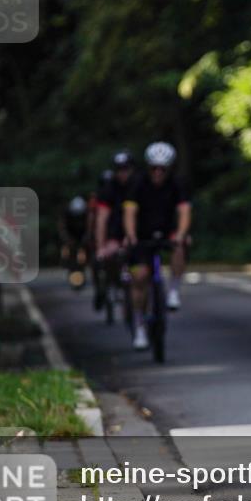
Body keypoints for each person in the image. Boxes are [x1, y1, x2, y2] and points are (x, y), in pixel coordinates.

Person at [122, 141, 191, 350]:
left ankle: (174, 291)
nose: (158, 172)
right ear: (148, 166)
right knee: (140, 277)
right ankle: (139, 325)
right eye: (154, 167)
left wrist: (180, 234)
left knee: (181, 245)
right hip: (142, 235)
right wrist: (131, 236)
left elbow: (185, 212)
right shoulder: (137, 183)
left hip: (166, 231)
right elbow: (129, 212)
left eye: (163, 168)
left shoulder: (177, 184)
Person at [94, 153, 135, 310]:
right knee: (108, 255)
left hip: (139, 232)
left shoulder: (140, 184)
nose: (122, 173)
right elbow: (101, 220)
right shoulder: (109, 189)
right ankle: (113, 282)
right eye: (119, 169)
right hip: (116, 232)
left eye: (126, 169)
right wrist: (100, 247)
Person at [58, 196, 89, 288]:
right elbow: (62, 229)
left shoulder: (87, 215)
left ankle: (84, 266)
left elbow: (89, 228)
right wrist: (67, 240)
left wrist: (86, 239)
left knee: (83, 252)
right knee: (65, 250)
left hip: (82, 236)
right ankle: (65, 263)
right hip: (70, 236)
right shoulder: (66, 214)